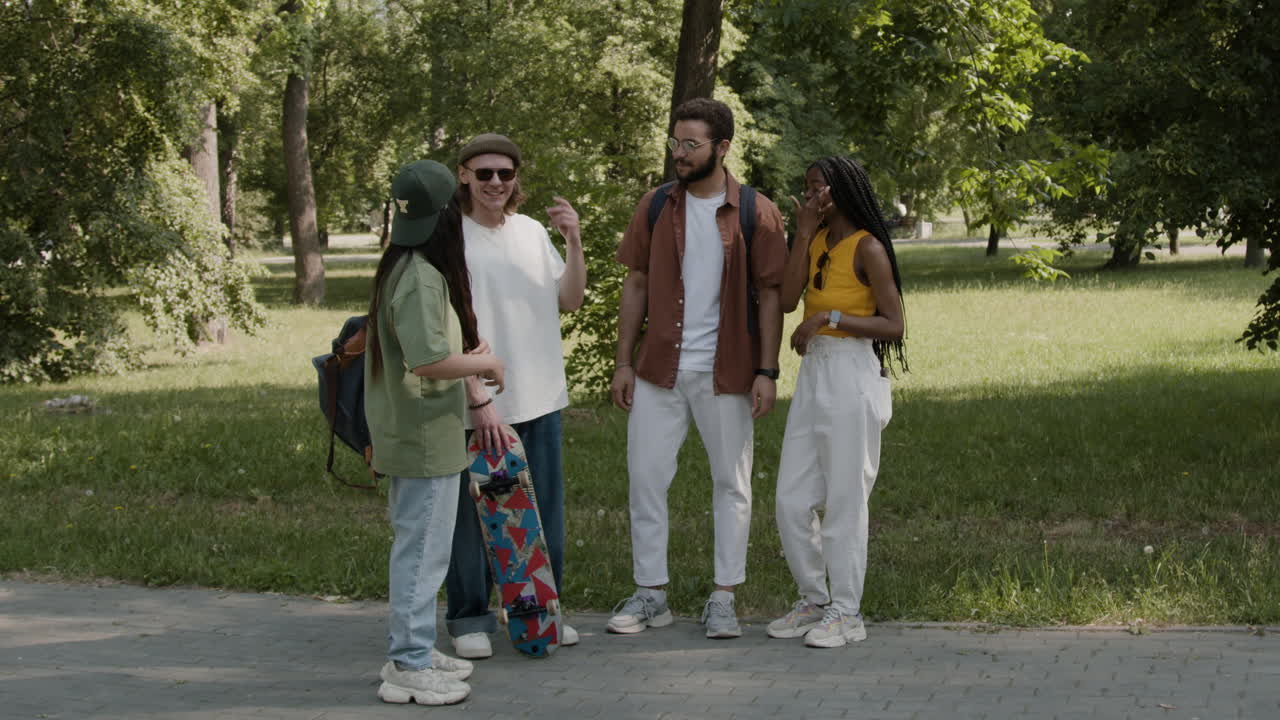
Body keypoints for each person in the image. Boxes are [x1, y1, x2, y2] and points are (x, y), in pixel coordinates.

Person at [608, 98, 788, 639]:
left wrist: (767, 370)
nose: (680, 154)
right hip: (659, 367)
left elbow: (771, 295)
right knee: (645, 478)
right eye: (675, 143)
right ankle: (650, 595)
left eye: (692, 144)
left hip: (727, 371)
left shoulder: (758, 211)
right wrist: (622, 362)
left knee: (730, 483)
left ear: (722, 148)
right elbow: (636, 282)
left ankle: (724, 596)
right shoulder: (657, 206)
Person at [365, 159, 505, 704]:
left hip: (425, 433)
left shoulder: (406, 265)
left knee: (423, 550)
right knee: (421, 553)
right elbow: (427, 361)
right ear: (445, 215)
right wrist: (487, 367)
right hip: (423, 437)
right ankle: (409, 662)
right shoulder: (422, 277)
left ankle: (415, 646)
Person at [444, 133, 587, 659]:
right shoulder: (448, 237)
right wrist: (476, 394)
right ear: (463, 175)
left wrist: (572, 239)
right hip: (478, 402)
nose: (496, 184)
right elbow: (447, 325)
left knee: (543, 515)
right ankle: (469, 618)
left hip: (539, 396)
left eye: (505, 174)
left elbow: (570, 299)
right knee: (474, 516)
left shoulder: (530, 233)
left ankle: (538, 613)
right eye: (484, 174)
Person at [766, 155, 907, 648]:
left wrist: (827, 321)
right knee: (790, 498)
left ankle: (848, 612)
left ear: (843, 190)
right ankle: (815, 600)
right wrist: (802, 233)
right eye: (806, 188)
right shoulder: (818, 238)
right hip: (815, 375)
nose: (810, 196)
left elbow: (895, 325)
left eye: (818, 188)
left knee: (846, 501)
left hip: (851, 371)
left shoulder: (867, 247)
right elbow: (785, 301)